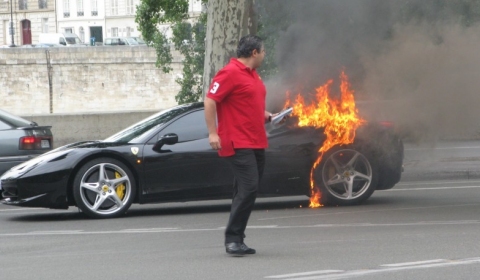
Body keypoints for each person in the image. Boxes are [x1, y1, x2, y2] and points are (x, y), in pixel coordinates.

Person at [204, 34, 280, 256]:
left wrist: (269, 116)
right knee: (249, 188)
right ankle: (232, 239)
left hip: (255, 140)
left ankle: (237, 239)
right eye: (263, 51)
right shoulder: (230, 73)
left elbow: (249, 105)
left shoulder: (254, 75)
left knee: (246, 190)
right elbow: (210, 101)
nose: (265, 55)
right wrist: (212, 133)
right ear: (254, 52)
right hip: (237, 141)